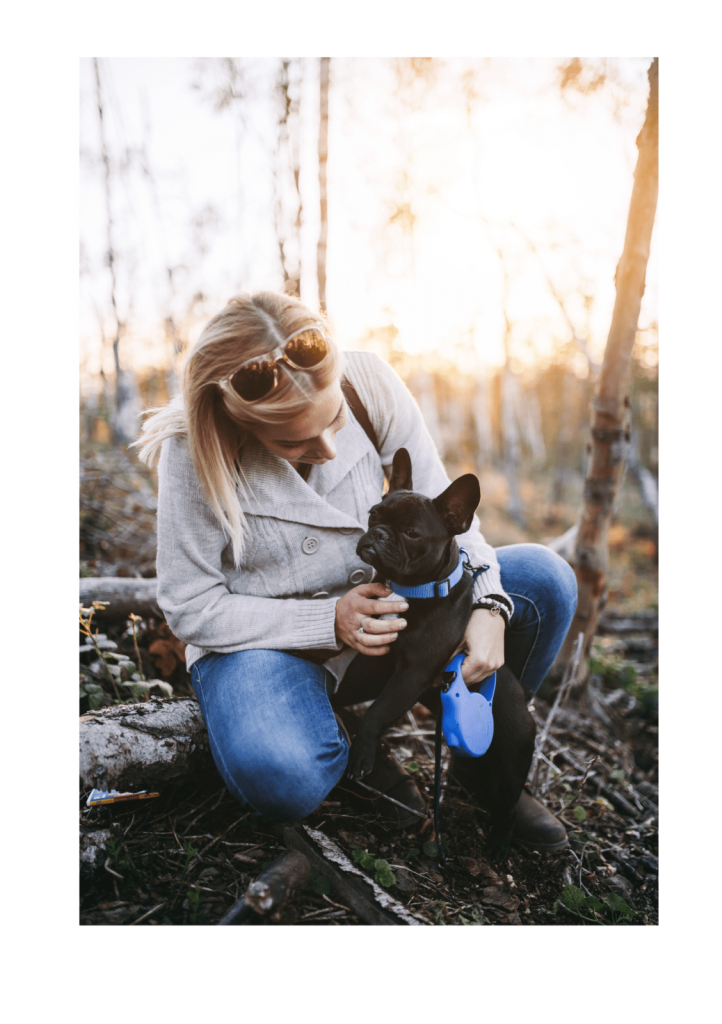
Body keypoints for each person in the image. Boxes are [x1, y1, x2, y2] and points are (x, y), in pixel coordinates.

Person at [135, 291, 577, 850]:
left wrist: (489, 603)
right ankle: (353, 755)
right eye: (292, 441)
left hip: (400, 622)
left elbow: (453, 516)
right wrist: (329, 621)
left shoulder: (368, 382)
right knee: (282, 774)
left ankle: (482, 757)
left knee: (544, 581)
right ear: (241, 424)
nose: (326, 447)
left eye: (335, 423)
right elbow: (189, 604)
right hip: (272, 648)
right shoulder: (192, 451)